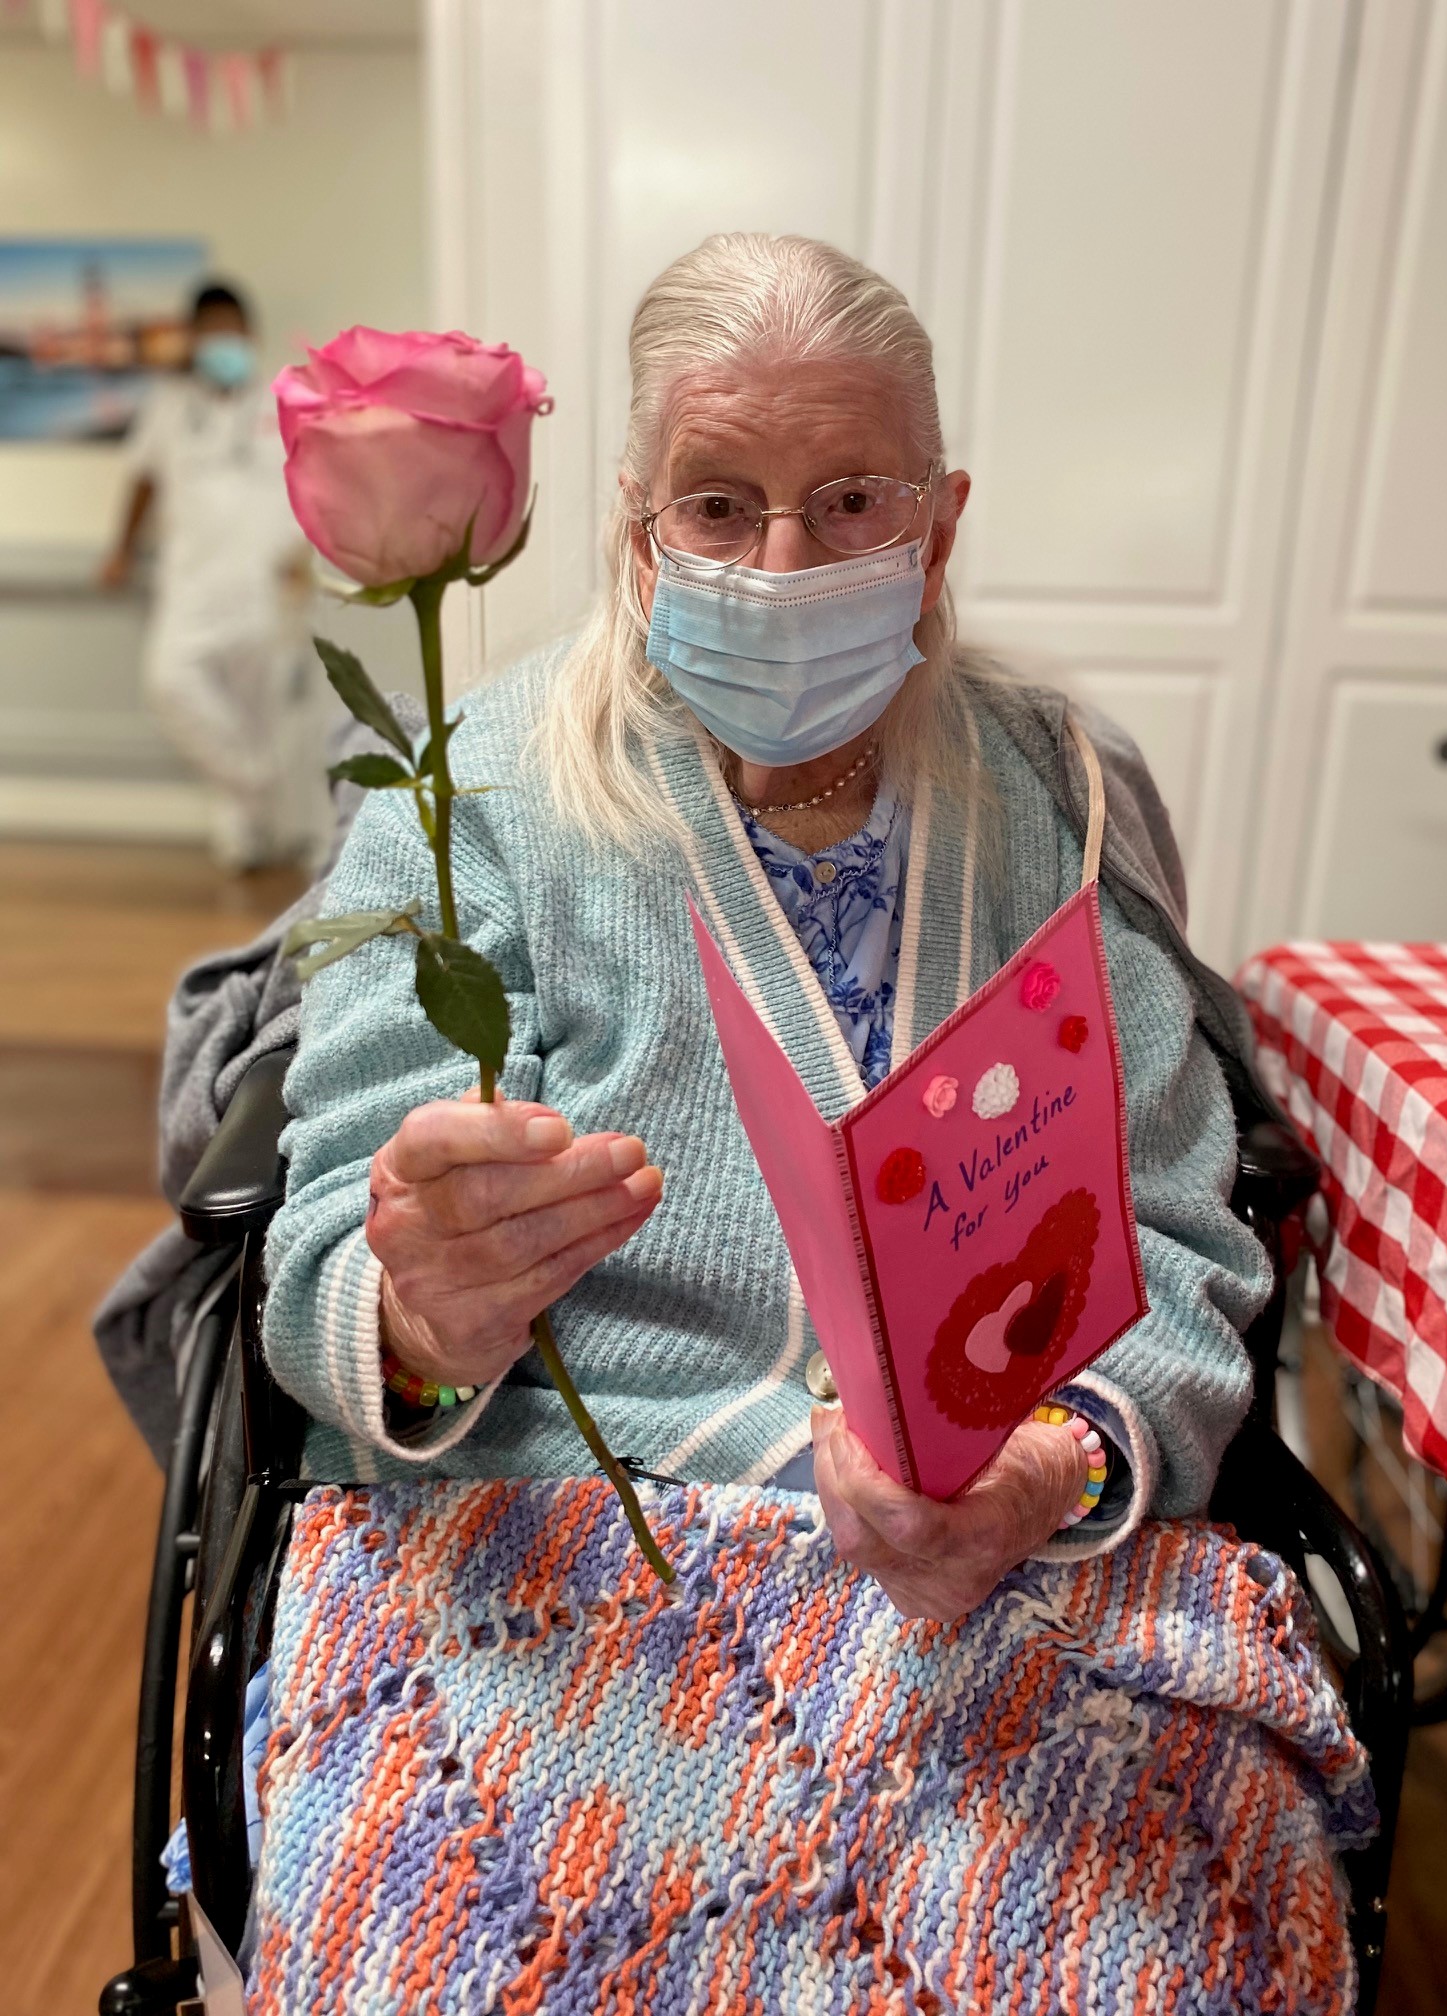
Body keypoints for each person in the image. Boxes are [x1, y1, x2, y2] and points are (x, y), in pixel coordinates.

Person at [246, 236, 1373, 2012]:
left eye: (850, 501)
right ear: (637, 527)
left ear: (943, 521)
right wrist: (411, 1313)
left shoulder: (1054, 789)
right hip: (550, 1533)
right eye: (719, 503)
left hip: (999, 1545)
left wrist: (1050, 1461)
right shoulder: (485, 796)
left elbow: (1174, 1237)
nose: (782, 563)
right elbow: (321, 1258)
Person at [102, 280, 314, 870]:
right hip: (191, 587)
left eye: (233, 329)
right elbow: (141, 480)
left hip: (267, 586)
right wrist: (119, 550)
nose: (224, 341)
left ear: (251, 333)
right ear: (193, 339)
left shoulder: (285, 398)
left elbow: (320, 476)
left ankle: (254, 836)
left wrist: (313, 551)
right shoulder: (168, 406)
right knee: (171, 686)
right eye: (211, 330)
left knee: (266, 714)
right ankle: (260, 794)